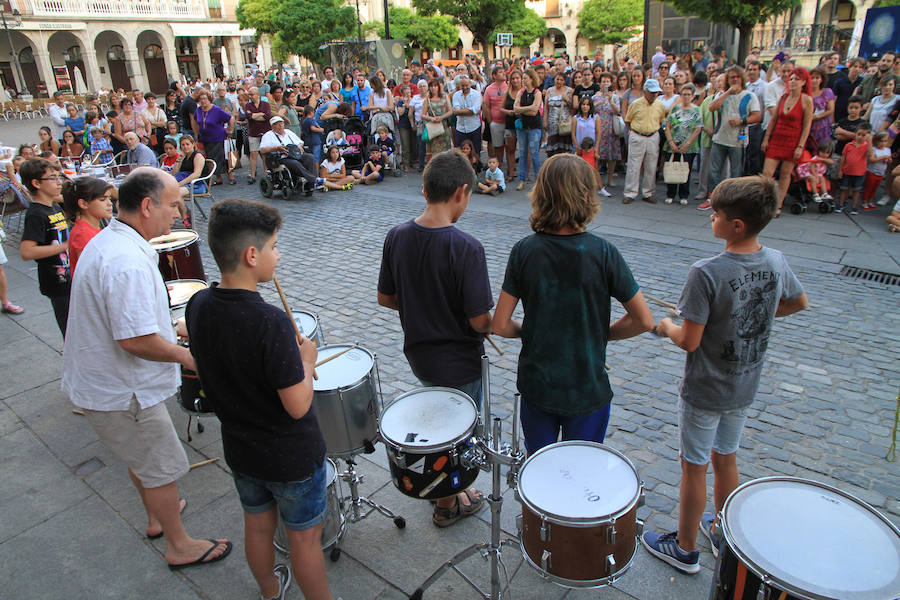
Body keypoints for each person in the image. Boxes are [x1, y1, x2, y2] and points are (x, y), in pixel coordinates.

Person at [61, 168, 232, 570]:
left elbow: (124, 318)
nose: (179, 214)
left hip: (107, 385)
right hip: (122, 391)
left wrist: (172, 326)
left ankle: (159, 515)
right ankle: (179, 544)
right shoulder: (127, 263)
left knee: (144, 461)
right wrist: (189, 357)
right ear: (146, 205)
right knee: (159, 465)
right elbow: (134, 341)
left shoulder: (113, 241)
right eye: (173, 204)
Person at [641, 175, 807, 574]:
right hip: (744, 383)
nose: (710, 218)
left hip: (706, 387)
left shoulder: (707, 272)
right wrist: (748, 320)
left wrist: (665, 327)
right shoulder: (775, 260)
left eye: (716, 213)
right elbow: (798, 301)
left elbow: (689, 341)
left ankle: (684, 548)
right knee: (726, 457)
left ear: (736, 225)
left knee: (693, 465)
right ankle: (723, 530)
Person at [185, 199, 333, 600]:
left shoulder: (198, 304)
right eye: (274, 247)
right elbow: (298, 404)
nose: (278, 255)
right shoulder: (271, 323)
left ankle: (270, 592)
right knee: (304, 541)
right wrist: (306, 359)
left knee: (258, 525)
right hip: (291, 457)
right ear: (252, 255)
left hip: (240, 449)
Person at [492, 154, 653, 453]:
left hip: (538, 385)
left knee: (538, 474)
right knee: (582, 476)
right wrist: (602, 334)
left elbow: (499, 325)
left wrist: (531, 330)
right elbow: (644, 320)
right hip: (587, 389)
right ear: (587, 195)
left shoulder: (524, 251)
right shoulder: (604, 252)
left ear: (541, 194)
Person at [377, 150, 490, 527]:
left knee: (439, 426)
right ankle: (447, 502)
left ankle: (448, 492)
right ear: (461, 192)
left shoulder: (396, 235)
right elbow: (479, 321)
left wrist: (419, 308)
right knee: (454, 434)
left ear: (424, 190)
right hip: (460, 362)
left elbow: (385, 297)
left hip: (421, 357)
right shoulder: (467, 248)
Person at [18, 159, 69, 335]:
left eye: (58, 177)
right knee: (69, 330)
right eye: (52, 178)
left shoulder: (53, 207)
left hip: (68, 277)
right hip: (56, 282)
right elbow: (27, 251)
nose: (59, 181)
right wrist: (66, 245)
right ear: (36, 183)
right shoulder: (36, 214)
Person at [762, 68, 814, 215]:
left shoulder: (807, 100)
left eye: (796, 79)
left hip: (793, 141)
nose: (792, 82)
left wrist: (800, 146)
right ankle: (766, 202)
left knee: (785, 174)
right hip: (777, 138)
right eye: (791, 79)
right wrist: (766, 138)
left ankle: (778, 205)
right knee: (767, 174)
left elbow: (806, 126)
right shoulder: (784, 97)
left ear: (803, 82)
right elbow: (773, 120)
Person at [708, 66, 761, 196]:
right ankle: (713, 196)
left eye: (737, 77)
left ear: (742, 78)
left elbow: (757, 116)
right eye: (732, 77)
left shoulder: (750, 96)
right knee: (714, 170)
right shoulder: (722, 95)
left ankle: (733, 197)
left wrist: (741, 121)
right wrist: (727, 92)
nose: (735, 79)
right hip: (720, 138)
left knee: (736, 172)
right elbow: (711, 107)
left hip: (738, 141)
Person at [623, 78, 667, 203]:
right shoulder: (636, 104)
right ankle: (630, 193)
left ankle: (648, 192)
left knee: (651, 166)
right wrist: (633, 132)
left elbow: (660, 120)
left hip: (653, 135)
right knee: (633, 166)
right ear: (645, 91)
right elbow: (628, 120)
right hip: (638, 135)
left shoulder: (660, 105)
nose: (654, 95)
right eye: (652, 92)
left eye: (656, 92)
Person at [61, 177, 114, 273]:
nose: (109, 203)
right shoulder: (83, 234)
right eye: (102, 199)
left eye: (109, 198)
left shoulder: (92, 229)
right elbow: (91, 273)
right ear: (83, 204)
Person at [663, 84, 703, 205]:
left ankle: (683, 195)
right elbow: (668, 126)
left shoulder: (696, 110)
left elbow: (698, 128)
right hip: (673, 144)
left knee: (685, 170)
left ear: (693, 96)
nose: (686, 97)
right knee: (672, 168)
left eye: (688, 94)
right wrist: (671, 142)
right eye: (683, 94)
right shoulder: (675, 109)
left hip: (689, 147)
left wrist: (687, 144)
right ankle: (670, 193)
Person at [260, 116, 320, 193]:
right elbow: (262, 149)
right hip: (282, 157)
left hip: (295, 154)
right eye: (277, 124)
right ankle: (314, 180)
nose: (280, 125)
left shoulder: (288, 132)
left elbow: (299, 142)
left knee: (310, 157)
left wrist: (299, 146)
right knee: (295, 163)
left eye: (281, 123)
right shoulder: (268, 135)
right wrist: (276, 148)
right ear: (272, 126)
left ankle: (311, 183)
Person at [192, 90, 233, 185]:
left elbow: (230, 118)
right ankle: (218, 178)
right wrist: (196, 133)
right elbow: (194, 121)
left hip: (217, 138)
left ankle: (230, 176)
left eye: (205, 98)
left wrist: (230, 130)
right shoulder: (198, 110)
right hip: (205, 138)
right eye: (201, 99)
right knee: (210, 158)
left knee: (221, 158)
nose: (203, 101)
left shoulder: (216, 109)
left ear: (209, 99)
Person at [513, 69, 543, 191]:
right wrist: (527, 109)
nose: (523, 80)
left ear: (531, 79)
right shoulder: (521, 92)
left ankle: (539, 180)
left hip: (534, 127)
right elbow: (515, 108)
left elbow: (535, 110)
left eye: (525, 78)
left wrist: (522, 109)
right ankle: (522, 180)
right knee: (522, 153)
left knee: (534, 153)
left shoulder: (537, 93)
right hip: (523, 127)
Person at [592, 72, 622, 188]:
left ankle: (610, 179)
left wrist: (610, 101)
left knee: (612, 155)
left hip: (611, 129)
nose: (605, 83)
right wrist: (599, 102)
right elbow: (590, 111)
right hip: (598, 129)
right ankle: (596, 179)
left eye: (607, 81)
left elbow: (617, 111)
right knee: (597, 154)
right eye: (603, 81)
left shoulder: (615, 97)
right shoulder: (595, 97)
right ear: (600, 83)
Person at [837, 122, 872, 214]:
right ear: (855, 134)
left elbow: (870, 155)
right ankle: (841, 204)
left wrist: (870, 141)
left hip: (859, 172)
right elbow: (843, 159)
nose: (860, 137)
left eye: (863, 135)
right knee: (844, 188)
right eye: (858, 134)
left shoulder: (866, 146)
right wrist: (840, 170)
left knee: (856, 190)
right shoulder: (848, 145)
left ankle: (854, 207)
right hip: (847, 171)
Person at [245, 87, 272, 184]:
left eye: (252, 94)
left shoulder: (265, 104)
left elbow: (268, 116)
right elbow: (248, 117)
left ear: (257, 94)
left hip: (265, 132)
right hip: (253, 132)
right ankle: (252, 175)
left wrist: (254, 115)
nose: (250, 96)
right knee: (253, 153)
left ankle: (266, 173)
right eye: (249, 94)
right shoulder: (248, 105)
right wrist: (260, 114)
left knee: (264, 153)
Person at [482, 66, 508, 165]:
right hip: (495, 122)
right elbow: (486, 105)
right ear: (494, 75)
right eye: (500, 72)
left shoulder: (508, 86)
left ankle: (510, 167)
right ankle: (497, 165)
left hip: (508, 122)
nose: (503, 73)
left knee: (509, 146)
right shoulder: (489, 89)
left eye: (504, 71)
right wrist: (490, 121)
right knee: (496, 145)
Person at [544, 72, 574, 157]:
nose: (559, 81)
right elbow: (546, 107)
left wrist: (566, 99)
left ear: (564, 81)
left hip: (565, 123)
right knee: (552, 147)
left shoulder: (570, 91)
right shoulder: (549, 90)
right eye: (557, 79)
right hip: (552, 122)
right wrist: (545, 121)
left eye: (561, 80)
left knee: (564, 147)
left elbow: (573, 106)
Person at [423, 79, 452, 164]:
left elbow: (450, 111)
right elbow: (423, 115)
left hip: (444, 127)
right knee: (434, 152)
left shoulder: (444, 96)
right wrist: (431, 119)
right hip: (434, 128)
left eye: (435, 86)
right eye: (431, 86)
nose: (433, 88)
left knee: (446, 151)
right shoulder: (427, 99)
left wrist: (442, 117)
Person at [501, 70, 523, 178]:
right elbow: (501, 108)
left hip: (523, 124)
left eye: (517, 78)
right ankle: (511, 172)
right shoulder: (507, 93)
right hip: (510, 124)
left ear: (521, 79)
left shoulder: (525, 92)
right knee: (510, 149)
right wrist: (508, 112)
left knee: (524, 150)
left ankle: (524, 175)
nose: (515, 80)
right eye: (513, 78)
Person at [862, 132, 892, 211]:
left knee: (875, 188)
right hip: (872, 171)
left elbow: (889, 161)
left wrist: (889, 160)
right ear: (876, 141)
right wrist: (883, 157)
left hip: (881, 173)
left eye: (885, 141)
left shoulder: (887, 150)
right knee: (869, 187)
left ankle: (871, 201)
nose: (883, 143)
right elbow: (872, 160)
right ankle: (864, 202)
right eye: (881, 141)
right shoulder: (874, 150)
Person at [451, 76, 483, 151]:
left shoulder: (477, 94)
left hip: (474, 127)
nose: (465, 87)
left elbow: (475, 110)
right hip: (460, 128)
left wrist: (460, 111)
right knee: (460, 153)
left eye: (466, 85)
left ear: (470, 84)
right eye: (463, 86)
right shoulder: (456, 95)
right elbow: (456, 111)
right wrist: (470, 111)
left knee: (476, 151)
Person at [807, 68, 835, 148]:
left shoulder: (827, 92)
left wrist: (817, 116)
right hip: (808, 126)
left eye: (817, 78)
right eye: (812, 78)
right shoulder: (805, 93)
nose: (814, 80)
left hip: (823, 127)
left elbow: (830, 109)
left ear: (822, 79)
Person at [395, 84, 416, 172]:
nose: (408, 94)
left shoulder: (414, 100)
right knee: (405, 145)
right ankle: (405, 164)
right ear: (402, 93)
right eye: (406, 93)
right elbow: (400, 113)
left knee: (414, 144)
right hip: (403, 125)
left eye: (409, 92)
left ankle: (412, 161)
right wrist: (404, 105)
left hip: (413, 124)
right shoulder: (400, 102)